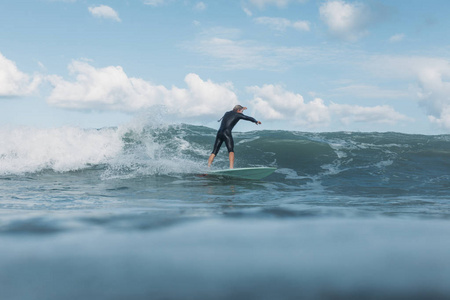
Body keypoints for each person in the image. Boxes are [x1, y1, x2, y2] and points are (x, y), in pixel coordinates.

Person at [208, 105, 261, 169]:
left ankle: (208, 168)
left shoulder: (227, 113)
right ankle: (231, 168)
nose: (242, 112)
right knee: (231, 151)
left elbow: (233, 111)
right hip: (226, 133)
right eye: (242, 111)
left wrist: (241, 108)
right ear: (238, 110)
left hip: (219, 133)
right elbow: (247, 117)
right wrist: (256, 121)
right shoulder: (238, 115)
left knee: (214, 151)